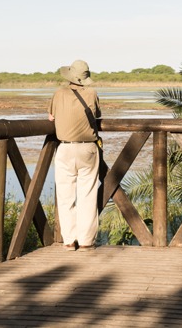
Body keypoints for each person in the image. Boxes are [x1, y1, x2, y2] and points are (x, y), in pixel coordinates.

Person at [48, 59, 101, 251]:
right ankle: (86, 241)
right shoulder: (92, 93)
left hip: (65, 148)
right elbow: (96, 115)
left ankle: (69, 240)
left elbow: (51, 117)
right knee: (87, 194)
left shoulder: (59, 94)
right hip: (88, 148)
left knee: (65, 195)